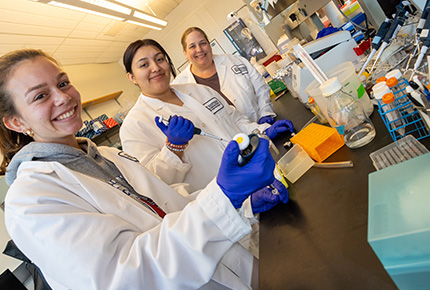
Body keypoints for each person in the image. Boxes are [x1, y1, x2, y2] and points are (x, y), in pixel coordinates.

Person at [0, 49, 289, 289]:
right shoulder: (31, 201)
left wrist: (241, 203)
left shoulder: (106, 155)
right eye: (40, 96)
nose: (62, 97)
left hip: (231, 263)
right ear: (15, 122)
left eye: (63, 83)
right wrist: (219, 194)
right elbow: (125, 277)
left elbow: (166, 207)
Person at [120, 39, 294, 193]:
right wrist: (173, 148)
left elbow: (235, 120)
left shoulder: (199, 90)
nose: (156, 68)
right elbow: (155, 186)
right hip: (225, 207)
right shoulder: (134, 126)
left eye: (160, 59)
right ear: (131, 77)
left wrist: (263, 130)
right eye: (144, 65)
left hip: (258, 174)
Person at [172, 27, 276, 124]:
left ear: (209, 45)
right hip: (226, 142)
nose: (199, 50)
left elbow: (260, 87)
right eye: (192, 46)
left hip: (261, 124)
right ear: (185, 53)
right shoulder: (179, 86)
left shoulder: (234, 60)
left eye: (202, 43)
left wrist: (265, 113)